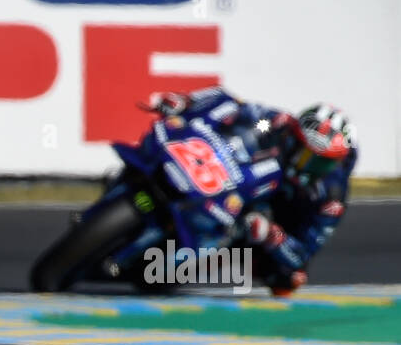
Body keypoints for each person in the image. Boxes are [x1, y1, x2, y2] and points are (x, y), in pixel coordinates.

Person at [147, 87, 356, 296]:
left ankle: (187, 267)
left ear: (334, 163)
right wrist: (188, 102)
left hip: (278, 220)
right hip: (249, 181)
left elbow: (303, 253)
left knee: (289, 279)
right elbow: (235, 106)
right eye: (301, 152)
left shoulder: (331, 200)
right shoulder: (277, 123)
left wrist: (272, 235)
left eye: (317, 162)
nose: (304, 164)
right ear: (294, 134)